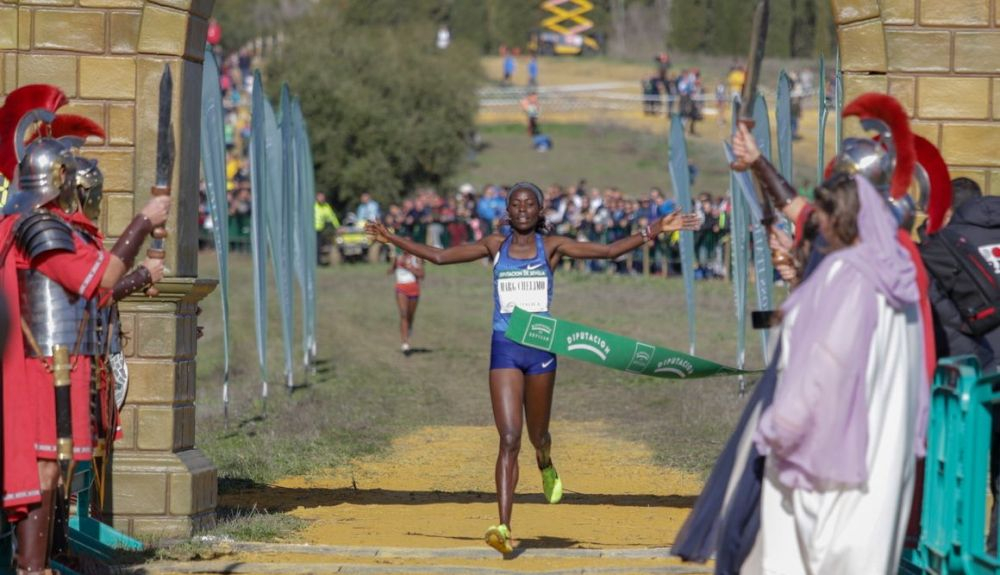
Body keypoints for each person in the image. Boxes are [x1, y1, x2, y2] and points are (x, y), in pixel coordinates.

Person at [365, 182, 699, 555]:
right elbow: (441, 257)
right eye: (516, 204)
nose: (523, 208)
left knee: (537, 434)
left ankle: (545, 459)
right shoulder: (495, 246)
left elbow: (607, 251)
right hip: (504, 350)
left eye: (530, 204)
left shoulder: (552, 247)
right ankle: (504, 526)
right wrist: (392, 239)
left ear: (540, 212)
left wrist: (654, 229)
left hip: (542, 349)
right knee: (509, 437)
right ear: (507, 212)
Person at [0, 85, 171, 573]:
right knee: (43, 463)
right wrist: (143, 222)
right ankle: (33, 566)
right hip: (38, 364)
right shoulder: (37, 226)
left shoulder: (47, 225)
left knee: (56, 462)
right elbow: (97, 281)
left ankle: (48, 557)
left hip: (58, 361)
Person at [389, 246, 424, 354]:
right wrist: (391, 269)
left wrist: (409, 268)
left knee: (410, 316)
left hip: (414, 289)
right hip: (401, 289)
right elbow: (392, 269)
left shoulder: (416, 259)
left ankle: (409, 328)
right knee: (403, 314)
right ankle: (405, 342)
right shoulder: (398, 258)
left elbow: (422, 275)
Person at [315, 192, 340, 266]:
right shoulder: (313, 206)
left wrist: (337, 227)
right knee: (314, 246)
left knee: (318, 246)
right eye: (319, 197)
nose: (321, 199)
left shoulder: (326, 207)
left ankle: (318, 262)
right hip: (311, 230)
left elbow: (332, 217)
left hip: (319, 230)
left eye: (322, 197)